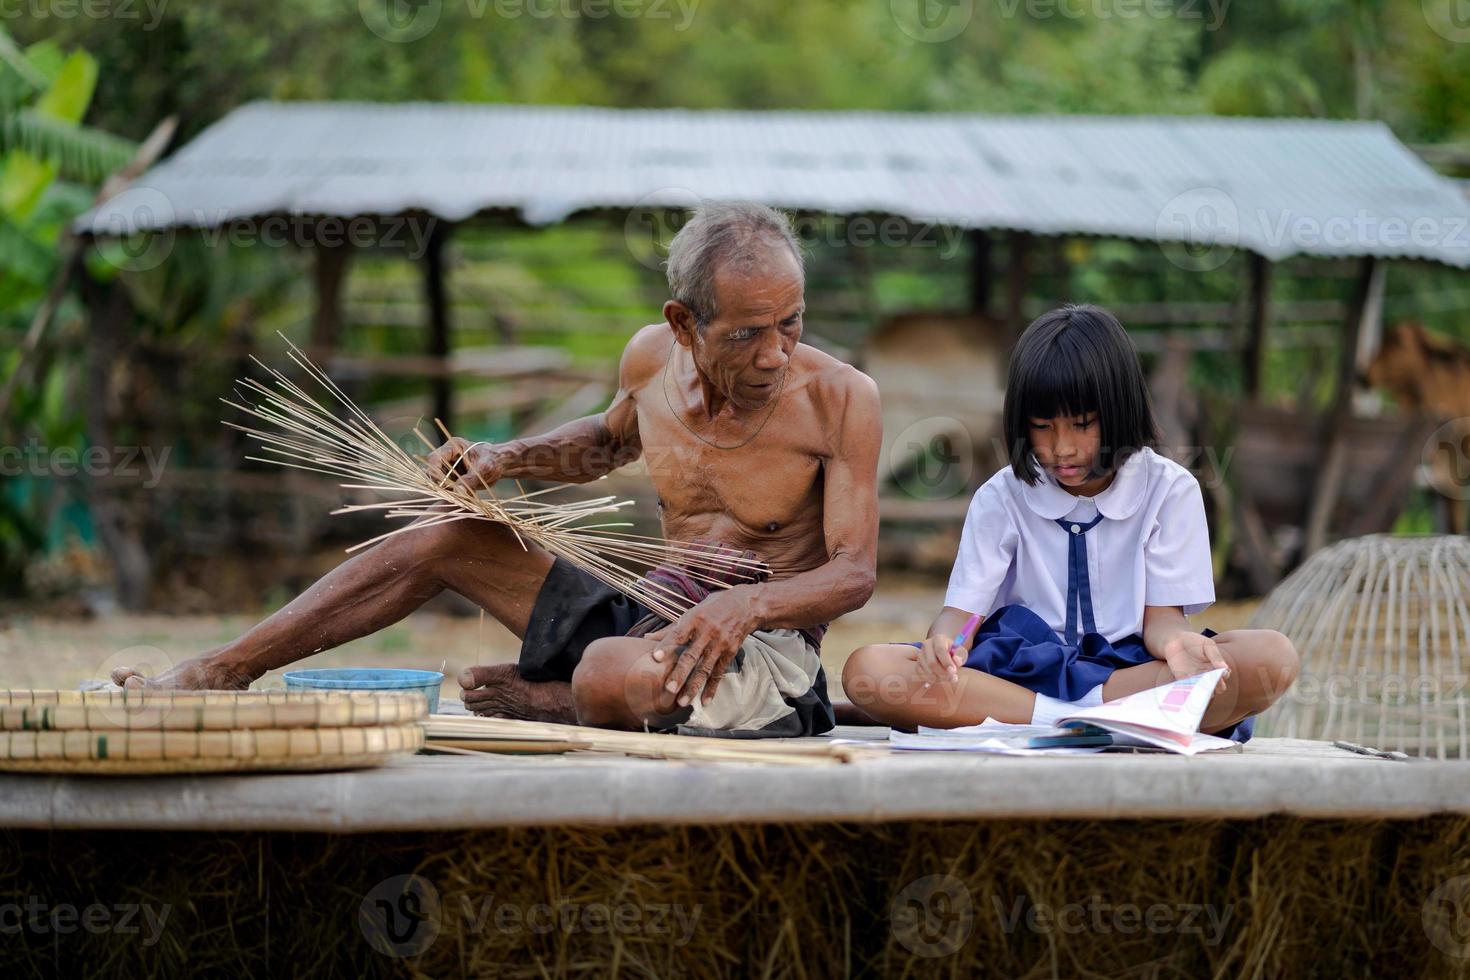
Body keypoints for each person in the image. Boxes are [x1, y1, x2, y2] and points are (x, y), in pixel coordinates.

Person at [112, 202, 882, 738]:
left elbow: (853, 574)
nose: (776, 353)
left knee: (611, 675)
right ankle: (218, 671)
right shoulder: (651, 361)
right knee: (446, 533)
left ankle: (559, 699)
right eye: (749, 334)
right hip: (648, 611)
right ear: (684, 324)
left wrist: (746, 609)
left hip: (757, 649)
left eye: (792, 323)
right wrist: (506, 457)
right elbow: (608, 445)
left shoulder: (842, 400)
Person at [841, 305, 1298, 739]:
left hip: (1129, 674)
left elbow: (1162, 621)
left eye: (1082, 424)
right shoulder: (1001, 496)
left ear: (1120, 411)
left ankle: (1050, 717)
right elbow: (963, 618)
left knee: (1270, 658)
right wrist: (946, 642)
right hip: (1017, 673)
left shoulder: (1169, 490)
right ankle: (1086, 720)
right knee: (870, 672)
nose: (1061, 448)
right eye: (1042, 426)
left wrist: (1178, 646)